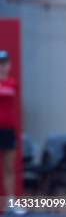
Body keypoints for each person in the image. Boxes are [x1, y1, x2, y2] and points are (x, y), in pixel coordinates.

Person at [0, 50, 17, 208]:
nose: (2, 67)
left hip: (8, 130)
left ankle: (11, 204)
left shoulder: (12, 82)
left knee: (8, 167)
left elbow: (8, 94)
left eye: (5, 63)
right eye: (0, 64)